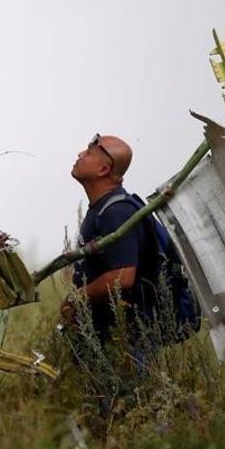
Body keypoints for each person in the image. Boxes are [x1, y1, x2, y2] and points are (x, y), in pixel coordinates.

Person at [59, 133, 156, 344]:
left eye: (89, 152)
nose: (80, 154)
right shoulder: (101, 209)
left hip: (126, 340)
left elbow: (123, 275)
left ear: (103, 169)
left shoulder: (116, 212)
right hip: (108, 335)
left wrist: (77, 297)